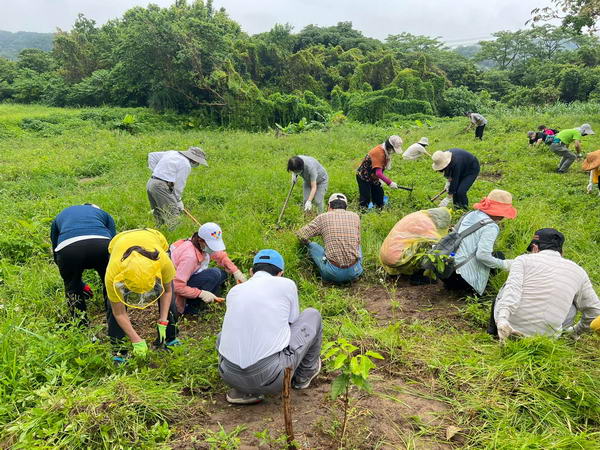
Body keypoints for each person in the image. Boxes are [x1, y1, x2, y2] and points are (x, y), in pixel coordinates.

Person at [217, 250, 322, 405]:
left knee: (222, 335)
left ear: (251, 272)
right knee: (312, 315)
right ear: (281, 273)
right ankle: (303, 376)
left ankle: (241, 391)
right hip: (271, 378)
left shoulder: (235, 291)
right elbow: (292, 321)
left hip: (228, 375)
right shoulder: (286, 284)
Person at [492, 228, 600, 342]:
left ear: (535, 248)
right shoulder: (579, 271)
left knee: (508, 287)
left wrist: (503, 319)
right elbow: (595, 312)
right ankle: (561, 334)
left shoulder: (523, 260)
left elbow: (512, 291)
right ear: (561, 252)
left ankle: (494, 330)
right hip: (547, 338)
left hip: (511, 327)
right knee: (572, 305)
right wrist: (575, 331)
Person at [105, 228, 180, 359]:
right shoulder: (113, 273)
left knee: (170, 300)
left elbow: (167, 291)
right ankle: (119, 350)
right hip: (118, 242)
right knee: (113, 306)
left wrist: (163, 320)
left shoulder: (163, 261)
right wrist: (136, 339)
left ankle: (170, 337)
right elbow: (119, 312)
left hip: (153, 236)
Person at [50, 204, 116, 326]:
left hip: (68, 249)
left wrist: (76, 282)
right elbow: (114, 243)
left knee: (72, 287)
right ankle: (116, 324)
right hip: (101, 244)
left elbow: (55, 248)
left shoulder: (62, 214)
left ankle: (81, 327)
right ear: (96, 209)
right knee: (110, 282)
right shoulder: (104, 214)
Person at [442, 189, 517, 295]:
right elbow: (482, 256)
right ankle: (472, 290)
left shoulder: (470, 214)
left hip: (447, 271)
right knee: (499, 256)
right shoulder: (491, 226)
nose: (503, 217)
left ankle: (453, 286)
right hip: (462, 280)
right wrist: (506, 265)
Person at [170, 222, 247, 314]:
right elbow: (177, 286)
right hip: (177, 288)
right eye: (211, 245)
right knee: (214, 274)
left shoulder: (200, 245)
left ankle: (211, 297)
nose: (213, 249)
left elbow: (220, 256)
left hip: (191, 276)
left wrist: (236, 271)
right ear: (200, 240)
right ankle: (191, 307)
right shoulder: (189, 257)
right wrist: (200, 293)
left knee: (222, 275)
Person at [296, 193, 362, 284]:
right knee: (358, 245)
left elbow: (301, 234)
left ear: (329, 206)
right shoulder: (355, 216)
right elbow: (358, 241)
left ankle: (328, 279)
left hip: (333, 273)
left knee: (312, 245)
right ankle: (352, 275)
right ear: (345, 207)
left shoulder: (323, 217)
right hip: (355, 271)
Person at [379, 207, 451, 281]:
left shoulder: (417, 216)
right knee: (432, 248)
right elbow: (439, 243)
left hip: (385, 254)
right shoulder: (427, 224)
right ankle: (419, 276)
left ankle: (407, 271)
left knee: (420, 243)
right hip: (396, 258)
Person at [147, 146, 208, 226]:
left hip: (151, 183)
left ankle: (161, 232)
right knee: (173, 213)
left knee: (159, 212)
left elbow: (152, 156)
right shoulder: (186, 165)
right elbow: (179, 185)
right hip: (161, 187)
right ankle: (175, 235)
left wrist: (157, 173)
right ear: (194, 159)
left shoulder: (172, 153)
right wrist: (178, 201)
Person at [356, 135, 403, 209]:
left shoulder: (385, 150)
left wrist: (381, 179)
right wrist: (389, 182)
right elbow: (378, 173)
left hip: (373, 176)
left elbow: (378, 171)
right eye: (393, 149)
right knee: (365, 198)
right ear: (389, 146)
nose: (393, 151)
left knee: (379, 195)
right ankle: (362, 213)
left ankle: (379, 210)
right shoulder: (379, 153)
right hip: (363, 176)